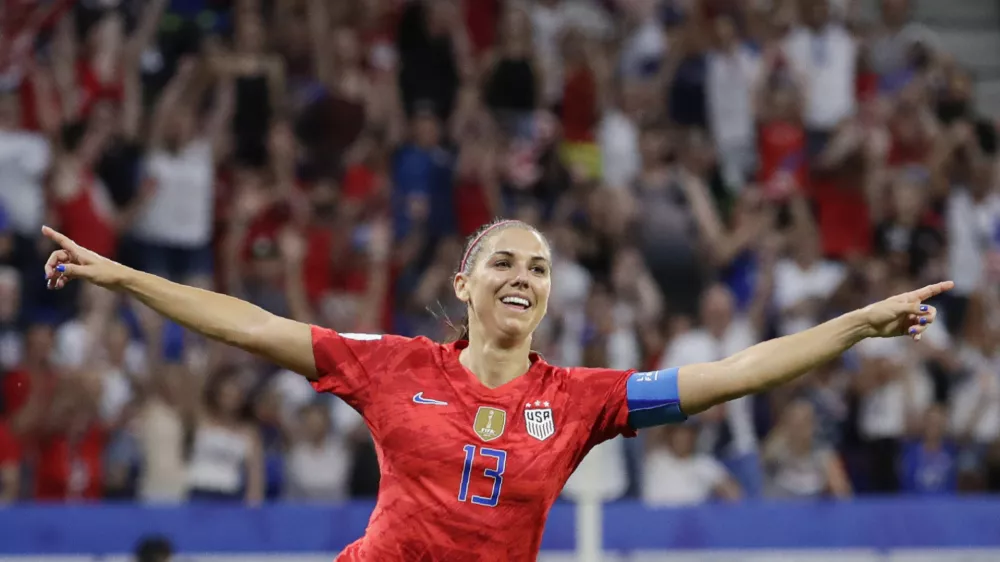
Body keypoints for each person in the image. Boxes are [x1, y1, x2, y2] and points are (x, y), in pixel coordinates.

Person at [40, 219, 951, 561]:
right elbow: (249, 323)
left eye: (542, 268)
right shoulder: (392, 365)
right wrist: (124, 278)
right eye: (507, 262)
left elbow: (731, 374)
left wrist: (851, 328)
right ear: (468, 280)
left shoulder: (588, 398)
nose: (526, 277)